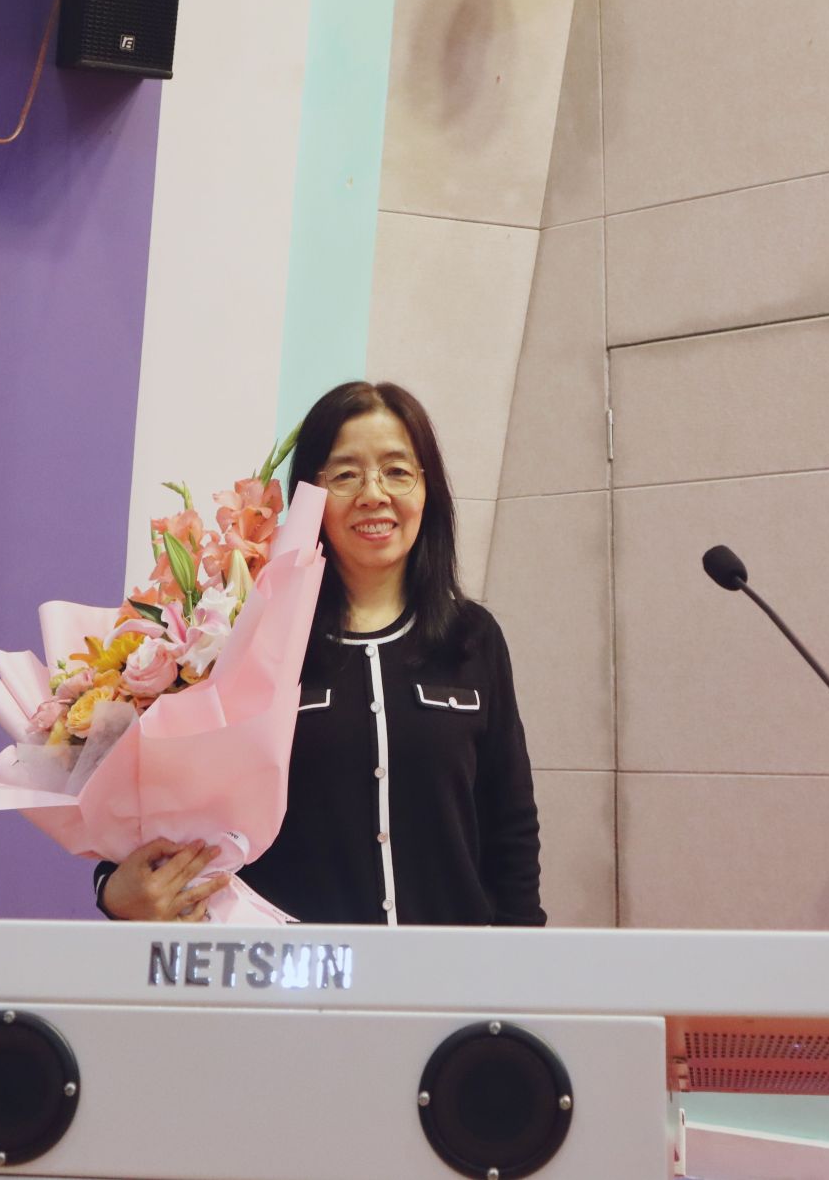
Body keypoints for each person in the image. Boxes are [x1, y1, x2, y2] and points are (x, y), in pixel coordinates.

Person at [96, 381, 546, 926]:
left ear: (428, 489)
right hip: (291, 968)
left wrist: (522, 959)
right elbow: (155, 802)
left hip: (445, 969)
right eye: (346, 474)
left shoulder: (472, 638)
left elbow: (510, 825)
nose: (373, 494)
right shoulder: (249, 636)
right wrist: (111, 890)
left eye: (397, 471)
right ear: (311, 494)